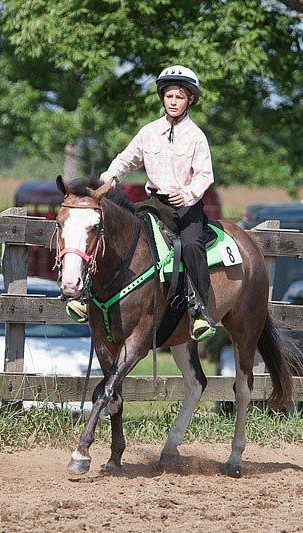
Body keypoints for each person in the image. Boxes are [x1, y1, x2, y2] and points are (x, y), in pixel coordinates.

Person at [66, 65, 217, 342]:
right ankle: (87, 298)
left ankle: (200, 310)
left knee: (193, 245)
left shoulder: (196, 137)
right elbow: (127, 158)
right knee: (115, 235)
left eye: (180, 97)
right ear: (162, 97)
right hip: (154, 203)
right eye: (169, 96)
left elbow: (206, 174)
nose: (173, 102)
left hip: (185, 206)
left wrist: (189, 194)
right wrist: (109, 177)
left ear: (190, 101)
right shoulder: (149, 132)